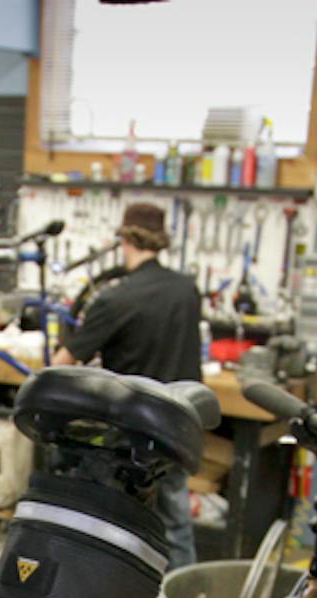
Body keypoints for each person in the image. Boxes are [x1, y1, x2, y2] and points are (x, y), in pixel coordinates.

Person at [52, 201, 204, 569]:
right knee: (176, 522)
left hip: (130, 432)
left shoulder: (115, 298)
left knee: (113, 520)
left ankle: (110, 596)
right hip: (179, 423)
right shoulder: (187, 290)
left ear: (124, 239)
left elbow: (61, 365)